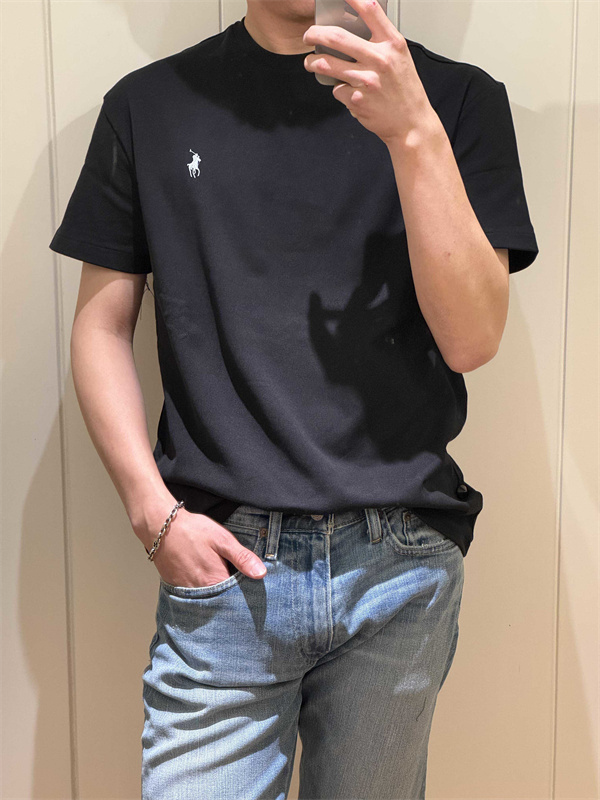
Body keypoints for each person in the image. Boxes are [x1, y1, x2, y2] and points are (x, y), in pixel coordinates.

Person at [49, 0, 539, 796]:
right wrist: (151, 512)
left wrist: (413, 134)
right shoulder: (150, 106)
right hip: (223, 565)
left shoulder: (454, 101)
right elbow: (101, 326)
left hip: (399, 564)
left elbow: (472, 340)